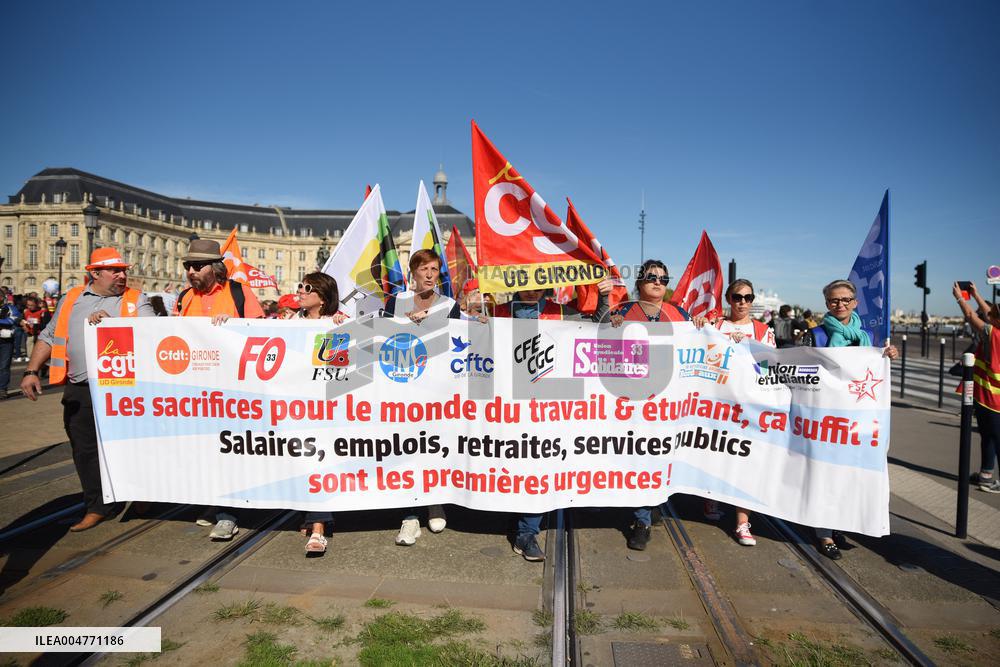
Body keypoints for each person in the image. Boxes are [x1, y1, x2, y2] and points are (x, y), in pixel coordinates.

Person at [20, 248, 154, 530]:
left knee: (131, 445)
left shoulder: (135, 299)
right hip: (80, 386)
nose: (122, 275)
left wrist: (113, 325)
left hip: (124, 389)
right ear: (95, 273)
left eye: (123, 270)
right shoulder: (71, 298)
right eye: (115, 270)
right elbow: (48, 336)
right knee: (84, 448)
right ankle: (97, 506)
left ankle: (141, 496)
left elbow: (151, 332)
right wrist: (32, 371)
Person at [496, 278, 613, 561]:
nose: (532, 285)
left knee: (538, 467)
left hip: (548, 409)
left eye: (539, 278)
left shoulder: (561, 312)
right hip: (505, 407)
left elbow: (599, 329)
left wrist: (604, 297)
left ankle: (527, 533)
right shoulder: (497, 311)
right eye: (526, 277)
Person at [176, 239, 264, 539]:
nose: (190, 271)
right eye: (187, 266)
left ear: (214, 268)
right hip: (197, 391)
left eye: (197, 266)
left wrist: (235, 328)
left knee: (230, 451)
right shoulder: (184, 298)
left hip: (234, 391)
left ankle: (228, 514)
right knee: (206, 452)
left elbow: (263, 334)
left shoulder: (239, 292)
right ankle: (215, 503)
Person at [805, 279, 898, 559]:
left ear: (855, 303)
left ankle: (839, 524)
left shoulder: (866, 336)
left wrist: (887, 356)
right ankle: (823, 533)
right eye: (834, 301)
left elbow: (872, 371)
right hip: (825, 417)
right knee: (825, 475)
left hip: (856, 417)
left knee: (849, 474)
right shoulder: (817, 335)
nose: (840, 305)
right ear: (827, 304)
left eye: (846, 300)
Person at [609, 259, 692, 551]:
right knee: (637, 456)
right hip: (631, 400)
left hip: (668, 403)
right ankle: (642, 517)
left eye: (663, 278)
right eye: (651, 277)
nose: (658, 282)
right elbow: (595, 342)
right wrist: (608, 324)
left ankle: (648, 508)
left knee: (658, 457)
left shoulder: (680, 315)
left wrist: (708, 329)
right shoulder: (621, 312)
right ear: (639, 283)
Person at [382, 249, 458, 545]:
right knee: (407, 451)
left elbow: (456, 342)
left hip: (437, 391)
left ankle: (435, 500)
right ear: (412, 272)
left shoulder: (449, 304)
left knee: (435, 447)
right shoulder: (396, 302)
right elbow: (378, 337)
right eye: (424, 268)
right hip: (401, 389)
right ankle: (410, 516)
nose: (429, 274)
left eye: (434, 269)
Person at [708, 279, 776, 546]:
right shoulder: (715, 326)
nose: (743, 302)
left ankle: (742, 522)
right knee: (714, 456)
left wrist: (746, 348)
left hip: (749, 407)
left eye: (748, 297)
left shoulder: (763, 330)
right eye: (737, 297)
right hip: (717, 405)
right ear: (728, 298)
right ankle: (709, 495)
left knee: (746, 462)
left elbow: (770, 368)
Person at [292, 272, 348, 553]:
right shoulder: (287, 323)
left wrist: (341, 328)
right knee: (302, 464)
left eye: (307, 287)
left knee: (318, 463)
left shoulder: (334, 325)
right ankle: (310, 514)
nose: (300, 291)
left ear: (323, 297)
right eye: (300, 286)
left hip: (323, 411)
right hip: (293, 408)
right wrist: (222, 324)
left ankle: (318, 527)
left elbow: (337, 374)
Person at [953, 281, 1000, 492]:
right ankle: (986, 475)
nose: (988, 315)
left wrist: (960, 297)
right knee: (988, 437)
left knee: (996, 440)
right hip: (987, 398)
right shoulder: (995, 331)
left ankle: (991, 479)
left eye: (993, 315)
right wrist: (976, 293)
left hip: (993, 399)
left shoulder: (994, 334)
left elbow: (972, 317)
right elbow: (989, 313)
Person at [0, 288, 22, 397]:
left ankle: (2, 389)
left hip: (6, 341)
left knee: (4, 366)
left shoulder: (9, 308)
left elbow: (14, 319)